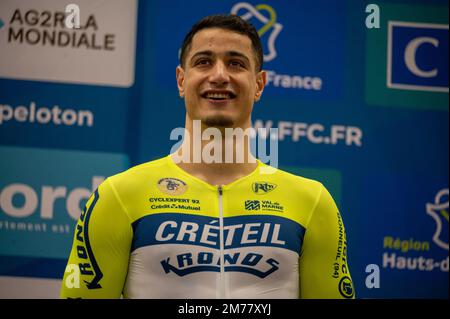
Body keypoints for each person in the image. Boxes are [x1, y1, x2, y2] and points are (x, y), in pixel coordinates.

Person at [60, 14, 355, 299]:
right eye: (203, 62)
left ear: (259, 84)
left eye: (236, 64)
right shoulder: (119, 196)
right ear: (181, 80)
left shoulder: (311, 202)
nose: (219, 75)